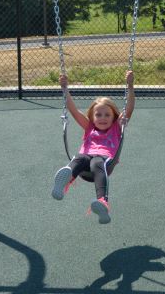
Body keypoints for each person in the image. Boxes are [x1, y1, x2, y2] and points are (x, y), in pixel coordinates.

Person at [52, 71, 135, 224]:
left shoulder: (116, 128)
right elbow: (74, 111)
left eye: (107, 115)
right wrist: (65, 88)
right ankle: (64, 182)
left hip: (104, 161)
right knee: (80, 158)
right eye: (98, 115)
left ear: (114, 117)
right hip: (86, 158)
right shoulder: (89, 127)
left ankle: (102, 203)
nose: (102, 118)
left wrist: (130, 86)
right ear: (92, 116)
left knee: (96, 162)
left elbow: (129, 109)